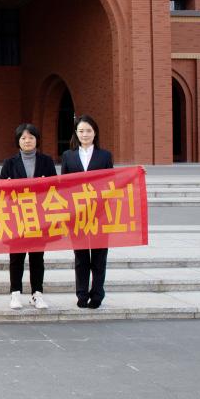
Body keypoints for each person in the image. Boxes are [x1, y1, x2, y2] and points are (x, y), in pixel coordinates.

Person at [0, 123, 56, 311]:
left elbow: (55, 188)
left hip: (39, 217)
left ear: (37, 140)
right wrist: (7, 187)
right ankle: (15, 293)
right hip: (16, 217)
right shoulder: (9, 163)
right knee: (16, 257)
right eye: (23, 138)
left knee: (37, 257)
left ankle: (37, 294)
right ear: (18, 141)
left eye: (31, 137)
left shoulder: (46, 161)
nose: (27, 141)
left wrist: (46, 185)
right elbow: (1, 192)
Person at [60, 114, 114, 309]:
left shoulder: (105, 156)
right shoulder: (68, 156)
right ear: (76, 133)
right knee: (81, 257)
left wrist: (138, 173)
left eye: (88, 131)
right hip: (77, 214)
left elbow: (112, 183)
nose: (85, 134)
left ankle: (97, 294)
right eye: (81, 131)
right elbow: (63, 185)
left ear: (95, 133)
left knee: (99, 258)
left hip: (100, 214)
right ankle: (82, 293)